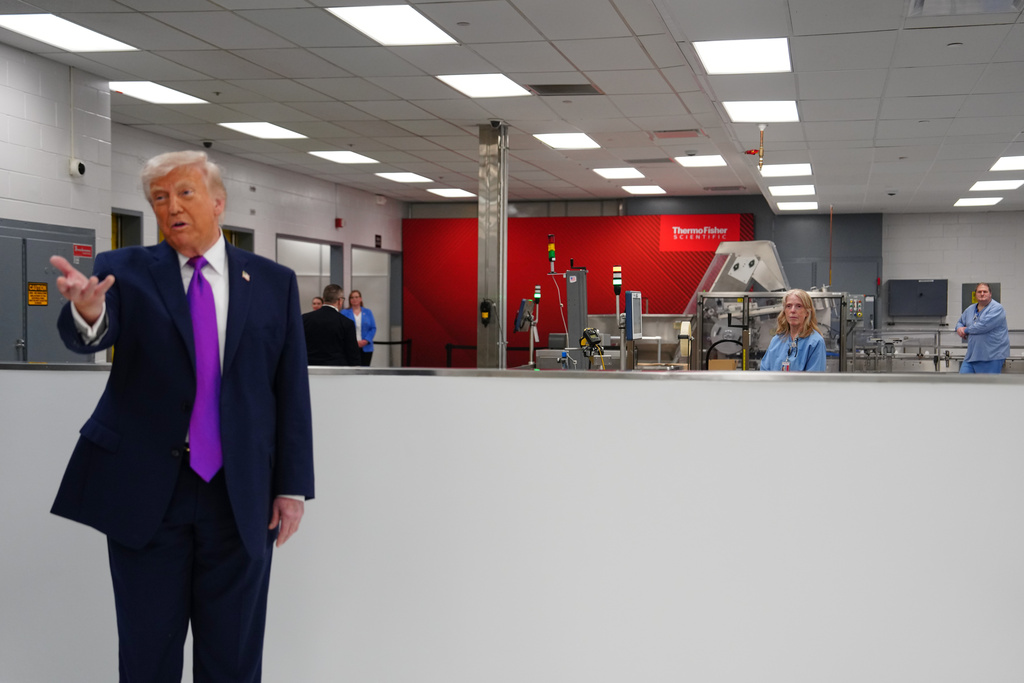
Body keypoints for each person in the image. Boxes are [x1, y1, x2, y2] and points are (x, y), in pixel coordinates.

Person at [49, 150, 314, 682]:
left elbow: (289, 390)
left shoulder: (273, 282)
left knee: (233, 658)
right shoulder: (123, 270)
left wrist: (292, 486)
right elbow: (95, 331)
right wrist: (87, 311)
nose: (171, 207)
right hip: (148, 491)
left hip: (239, 494)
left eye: (185, 193)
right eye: (159, 198)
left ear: (218, 202)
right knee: (147, 655)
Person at [759, 288, 827, 372]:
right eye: (789, 306)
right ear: (784, 311)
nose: (792, 310)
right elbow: (764, 372)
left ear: (807, 312)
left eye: (799, 306)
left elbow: (814, 378)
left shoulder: (815, 342)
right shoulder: (776, 340)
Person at [955, 282, 1009, 374]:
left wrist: (966, 330)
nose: (982, 294)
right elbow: (960, 322)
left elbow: (983, 326)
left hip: (991, 356)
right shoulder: (970, 309)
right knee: (963, 381)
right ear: (975, 294)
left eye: (985, 291)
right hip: (972, 355)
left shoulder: (997, 308)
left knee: (987, 383)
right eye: (979, 292)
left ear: (990, 294)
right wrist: (959, 328)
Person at [302, 283, 361, 366]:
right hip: (337, 369)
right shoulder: (346, 323)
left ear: (323, 299)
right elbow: (353, 355)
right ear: (340, 301)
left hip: (309, 368)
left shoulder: (304, 319)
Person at [341, 289, 377, 367]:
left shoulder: (368, 312)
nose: (354, 299)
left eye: (356, 297)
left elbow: (373, 328)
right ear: (349, 300)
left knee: (365, 369)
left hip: (366, 347)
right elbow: (342, 329)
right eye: (352, 297)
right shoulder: (344, 312)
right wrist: (353, 342)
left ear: (360, 299)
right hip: (350, 346)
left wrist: (366, 340)